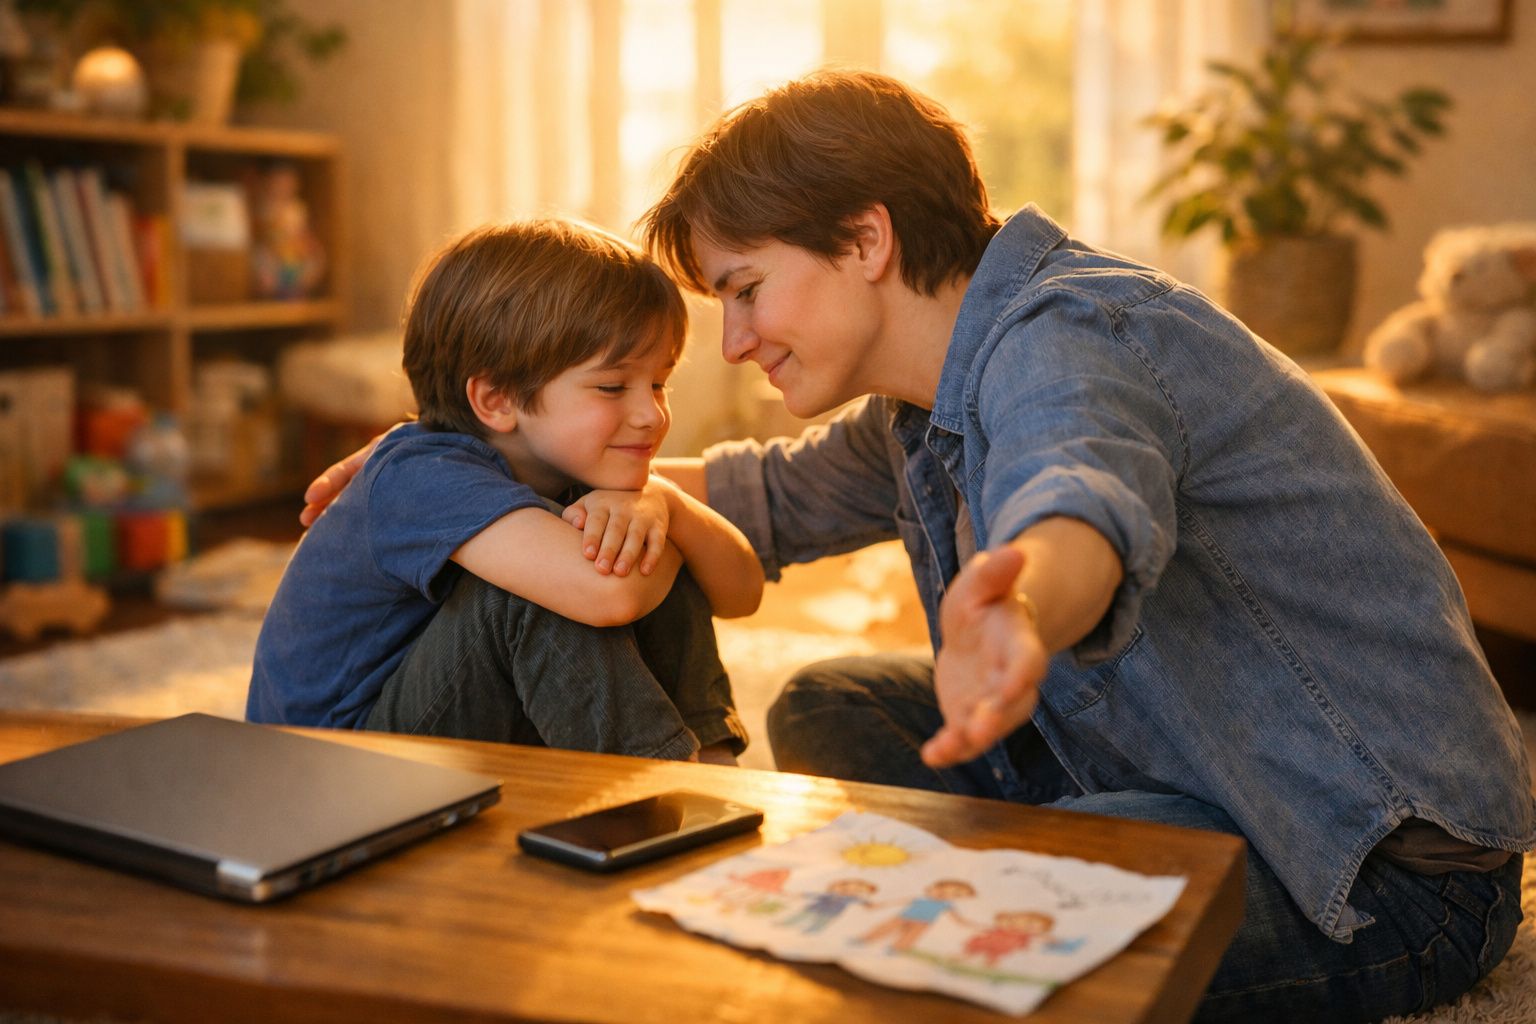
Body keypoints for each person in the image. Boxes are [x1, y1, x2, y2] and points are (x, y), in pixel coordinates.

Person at [302, 72, 1532, 1021]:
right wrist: (466, 464)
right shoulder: (921, 398)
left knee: (925, 967)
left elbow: (1083, 489)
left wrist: (1027, 602)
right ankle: (1071, 839)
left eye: (743, 288)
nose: (730, 342)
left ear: (865, 241)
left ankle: (1049, 863)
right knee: (837, 698)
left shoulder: (1069, 338)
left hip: (1367, 865)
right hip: (1177, 772)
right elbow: (755, 498)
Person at [250, 220, 761, 763]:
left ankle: (712, 769)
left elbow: (742, 593)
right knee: (559, 583)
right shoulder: (420, 477)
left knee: (639, 538)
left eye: (659, 383)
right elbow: (609, 596)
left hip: (440, 736)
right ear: (496, 400)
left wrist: (670, 507)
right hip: (330, 769)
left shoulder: (580, 468)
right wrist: (654, 527)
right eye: (613, 386)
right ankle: (662, 789)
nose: (650, 414)